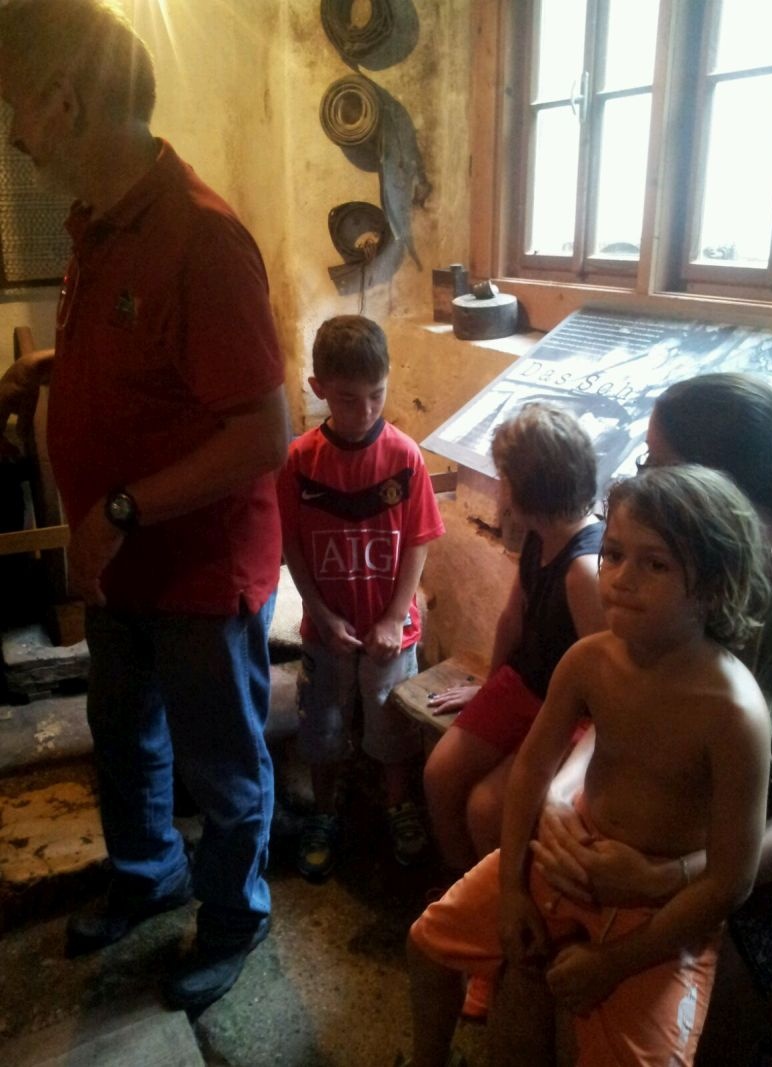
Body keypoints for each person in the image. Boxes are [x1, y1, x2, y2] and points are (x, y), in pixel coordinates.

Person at [0, 0, 290, 1013]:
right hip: (122, 567)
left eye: (17, 110)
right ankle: (148, 875)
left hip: (198, 574)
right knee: (124, 737)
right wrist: (46, 368)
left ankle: (234, 915)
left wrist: (118, 508)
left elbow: (262, 434)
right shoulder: (97, 223)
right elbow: (149, 355)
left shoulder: (201, 238)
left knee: (222, 764)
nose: (15, 136)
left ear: (64, 101)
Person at [399, 464, 772, 1067]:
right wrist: (513, 887)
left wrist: (613, 964)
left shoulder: (734, 713)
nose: (621, 578)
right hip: (563, 861)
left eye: (655, 564)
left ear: (713, 585)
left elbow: (731, 879)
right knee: (427, 944)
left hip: (661, 910)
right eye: (615, 554)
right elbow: (532, 770)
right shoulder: (589, 661)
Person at [531, 373, 772, 1062]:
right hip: (670, 822)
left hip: (758, 869)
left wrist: (674, 876)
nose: (643, 478)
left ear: (712, 493)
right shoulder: (668, 580)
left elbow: (759, 851)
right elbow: (624, 699)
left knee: (661, 988)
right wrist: (562, 795)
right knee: (543, 905)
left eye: (657, 462)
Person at [277, 315, 445, 879]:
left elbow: (419, 539)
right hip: (327, 631)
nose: (366, 410)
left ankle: (397, 804)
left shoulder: (405, 457)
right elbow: (292, 545)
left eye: (377, 394)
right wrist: (319, 613)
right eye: (348, 399)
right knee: (323, 725)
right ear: (318, 388)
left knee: (391, 721)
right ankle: (324, 811)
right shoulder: (300, 462)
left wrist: (396, 617)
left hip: (390, 631)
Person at [423, 403, 605, 876]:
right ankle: (461, 890)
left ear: (527, 490)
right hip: (525, 685)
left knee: (486, 809)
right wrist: (491, 686)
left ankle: (504, 903)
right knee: (439, 775)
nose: (499, 487)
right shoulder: (538, 535)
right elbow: (512, 619)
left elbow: (604, 679)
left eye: (503, 477)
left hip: (569, 710)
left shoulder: (583, 569)